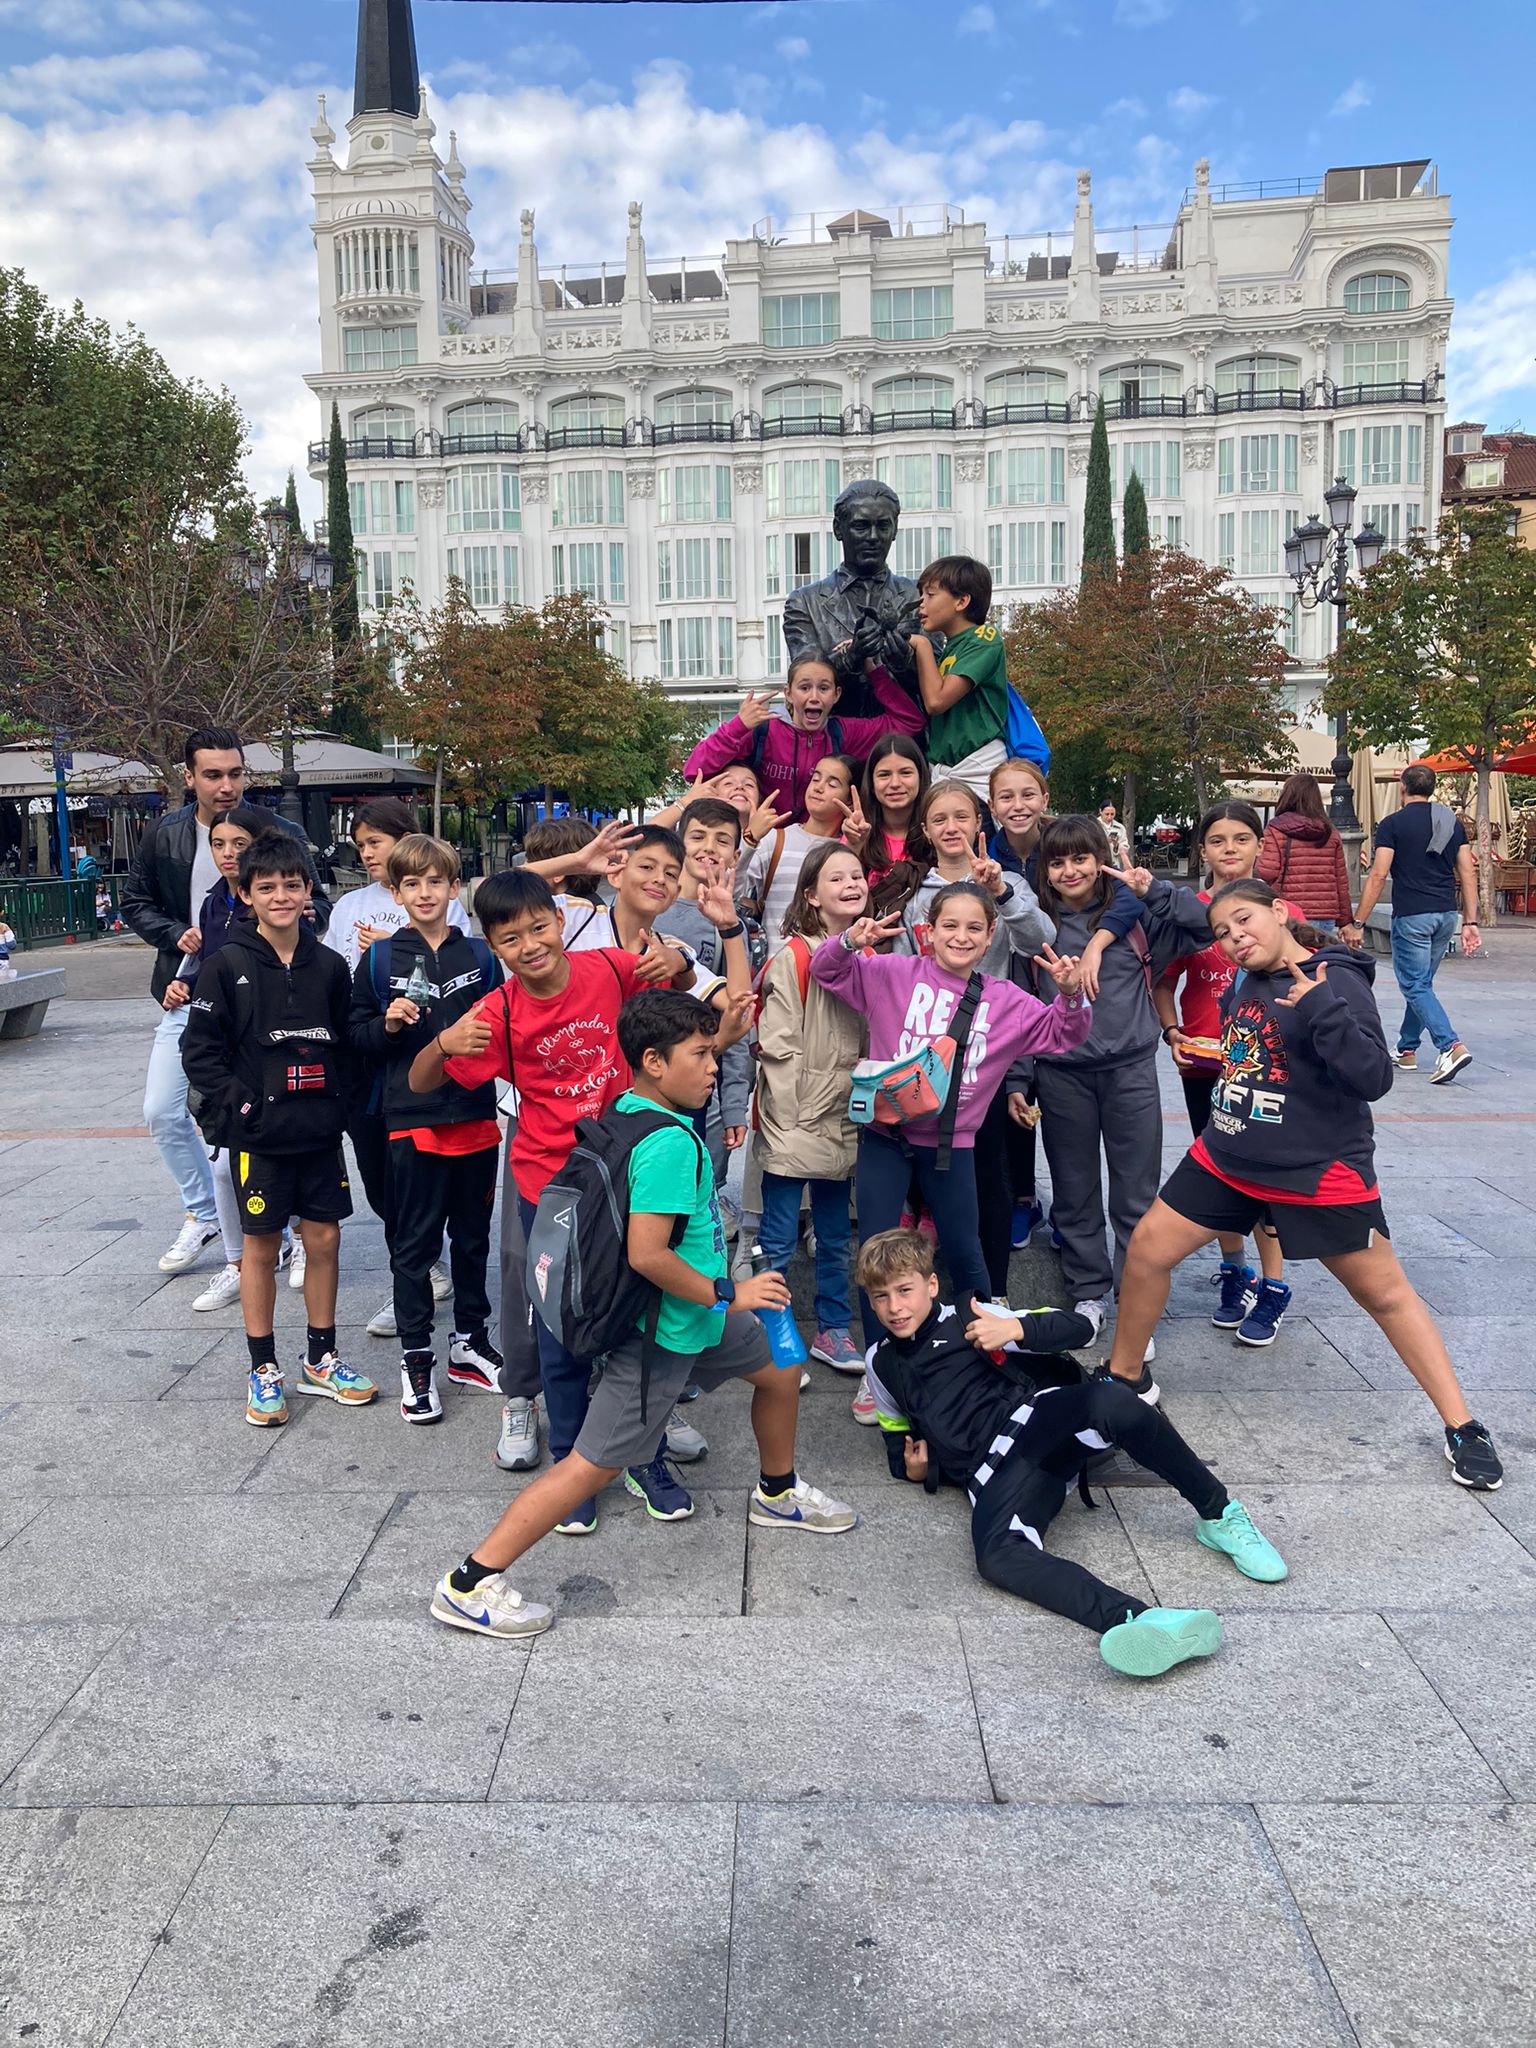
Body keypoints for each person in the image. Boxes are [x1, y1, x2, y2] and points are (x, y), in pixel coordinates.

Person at [429, 990, 859, 1640]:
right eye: (701, 1055)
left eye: (714, 1053)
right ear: (654, 1061)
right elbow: (648, 1254)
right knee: (589, 1467)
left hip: (696, 1316)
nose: (714, 1067)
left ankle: (777, 1492)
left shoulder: (631, 1109)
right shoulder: (670, 1145)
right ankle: (469, 1583)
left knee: (777, 1368)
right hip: (666, 1332)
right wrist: (729, 1293)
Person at [1102, 878, 1504, 1491]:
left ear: (1280, 911)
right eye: (1222, 933)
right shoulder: (1248, 980)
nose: (1235, 938)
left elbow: (1373, 1077)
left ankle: (1464, 1425)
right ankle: (1125, 1379)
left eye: (1244, 921)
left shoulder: (1333, 979)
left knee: (1386, 1296)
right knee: (1149, 1250)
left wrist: (1321, 1009)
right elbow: (1262, 1057)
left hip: (1317, 1167)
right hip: (1228, 1153)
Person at [410, 870, 739, 1528]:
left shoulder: (609, 969)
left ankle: (642, 1455)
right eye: (511, 938)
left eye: (539, 928)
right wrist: (442, 1042)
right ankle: (569, 1462)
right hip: (552, 1189)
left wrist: (677, 962)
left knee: (642, 1322)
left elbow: (684, 995)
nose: (530, 945)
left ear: (560, 922)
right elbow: (421, 1081)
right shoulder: (498, 1012)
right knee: (561, 1327)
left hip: (630, 1173)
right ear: (492, 945)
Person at [858, 1229, 1287, 1677]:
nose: (895, 1307)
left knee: (1115, 1401)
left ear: (931, 1285)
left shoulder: (974, 1316)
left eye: (904, 1290)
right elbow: (896, 1440)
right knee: (996, 1556)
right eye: (880, 1297)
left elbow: (1081, 1329)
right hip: (993, 1477)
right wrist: (916, 1469)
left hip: (1039, 1422)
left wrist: (1016, 1328)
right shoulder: (880, 1363)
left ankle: (1219, 1516)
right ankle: (1140, 1622)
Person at [811, 882, 1093, 1344]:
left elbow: (1063, 1033)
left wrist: (1070, 994)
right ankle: (881, 1362)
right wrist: (848, 942)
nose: (961, 937)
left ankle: (979, 1349)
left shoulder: (1006, 999)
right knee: (875, 1250)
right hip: (884, 1138)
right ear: (928, 930)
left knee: (965, 1250)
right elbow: (826, 970)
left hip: (951, 1145)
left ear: (990, 935)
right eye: (950, 926)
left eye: (974, 928)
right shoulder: (890, 973)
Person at [180, 834, 375, 1427]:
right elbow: (199, 1052)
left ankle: (321, 1358)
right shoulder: (225, 965)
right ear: (246, 894)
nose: (281, 896)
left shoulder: (331, 966)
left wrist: (342, 1108)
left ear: (308, 889)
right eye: (266, 887)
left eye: (292, 885)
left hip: (318, 1132)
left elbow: (348, 1044)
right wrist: (243, 1108)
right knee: (260, 1249)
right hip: (258, 1138)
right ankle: (262, 1367)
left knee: (325, 1241)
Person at [121, 727, 330, 1276]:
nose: (226, 785)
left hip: (266, 1000)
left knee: (267, 1117)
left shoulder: (279, 830)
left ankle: (283, 1230)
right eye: (212, 775)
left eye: (235, 773)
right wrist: (175, 936)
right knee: (161, 1111)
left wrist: (306, 916)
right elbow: (135, 901)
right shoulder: (165, 834)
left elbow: (320, 899)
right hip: (189, 991)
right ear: (189, 777)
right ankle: (205, 1213)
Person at [1028, 815, 1213, 1355]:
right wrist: (1020, 1078)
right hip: (1061, 1074)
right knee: (1074, 1192)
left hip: (1130, 1071)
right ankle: (1089, 1293)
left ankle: (1134, 1302)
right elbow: (1018, 1002)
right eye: (1057, 862)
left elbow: (1205, 925)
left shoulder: (1135, 918)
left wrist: (1153, 890)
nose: (1070, 871)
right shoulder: (1036, 926)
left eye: (1080, 858)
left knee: (1135, 1194)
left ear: (1100, 860)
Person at [346, 834, 505, 1426]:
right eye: (411, 883)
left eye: (435, 881)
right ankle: (417, 1359)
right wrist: (387, 1025)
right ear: (395, 893)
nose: (424, 893)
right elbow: (354, 1037)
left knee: (473, 1238)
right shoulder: (380, 960)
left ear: (454, 888)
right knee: (412, 1247)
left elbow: (507, 1026)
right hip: (410, 1121)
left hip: (476, 1116)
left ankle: (469, 1342)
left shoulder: (482, 957)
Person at [988, 760, 1143, 1260]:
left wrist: (1098, 942)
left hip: (1110, 1047)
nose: (1018, 805)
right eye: (1005, 796)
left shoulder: (1064, 840)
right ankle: (1029, 1201)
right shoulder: (987, 853)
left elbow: (1127, 895)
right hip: (1024, 992)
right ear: (992, 805)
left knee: (1127, 1182)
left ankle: (1120, 1267)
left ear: (1045, 798)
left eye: (1027, 794)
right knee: (1028, 1114)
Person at [324, 798, 468, 1337]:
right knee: (380, 1176)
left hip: (428, 1064)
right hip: (364, 1057)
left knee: (429, 1179)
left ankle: (432, 1274)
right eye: (360, 845)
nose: (366, 854)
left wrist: (399, 947)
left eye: (375, 842)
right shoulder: (349, 905)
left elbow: (454, 965)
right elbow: (335, 972)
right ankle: (416, 1268)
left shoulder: (441, 899)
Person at [1156, 803, 1298, 1347]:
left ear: (1260, 845)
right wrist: (1172, 1032)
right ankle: (1235, 1271)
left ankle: (1274, 1287)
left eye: (1241, 838)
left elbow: (1309, 978)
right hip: (1204, 1064)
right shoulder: (1189, 913)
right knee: (1219, 1171)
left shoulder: (1281, 909)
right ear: (1203, 850)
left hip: (1267, 1072)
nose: (1230, 848)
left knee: (1266, 1178)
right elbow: (1163, 981)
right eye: (1217, 840)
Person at [755, 842, 871, 1403]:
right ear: (811, 895)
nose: (851, 884)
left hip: (844, 1113)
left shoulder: (868, 953)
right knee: (778, 1236)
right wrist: (792, 1114)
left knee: (835, 1233)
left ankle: (832, 1328)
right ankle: (774, 1335)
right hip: (799, 1114)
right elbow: (777, 1046)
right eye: (836, 878)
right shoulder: (794, 955)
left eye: (857, 875)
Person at [163, 805, 289, 1314]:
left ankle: (293, 1240)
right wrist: (184, 984)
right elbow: (216, 970)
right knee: (223, 1165)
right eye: (218, 844)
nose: (228, 853)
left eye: (239, 843)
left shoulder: (285, 907)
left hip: (278, 1051)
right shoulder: (215, 904)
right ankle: (237, 1262)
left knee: (292, 1157)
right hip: (230, 1052)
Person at [683, 651, 924, 827]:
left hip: (817, 845)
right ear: (788, 693)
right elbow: (694, 772)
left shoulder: (842, 732)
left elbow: (910, 721)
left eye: (824, 688)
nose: (814, 697)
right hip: (763, 842)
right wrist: (737, 727)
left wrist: (872, 669)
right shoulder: (763, 729)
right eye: (804, 688)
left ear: (836, 695)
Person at [1355, 763, 1482, 1083]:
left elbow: (1379, 874)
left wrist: (1358, 921)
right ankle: (1407, 1048)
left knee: (1414, 985)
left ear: (1403, 788)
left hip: (1412, 915)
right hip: (1445, 914)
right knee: (1422, 983)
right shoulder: (1450, 822)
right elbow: (1468, 872)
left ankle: (1450, 1045)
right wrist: (1470, 920)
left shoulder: (1392, 824)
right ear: (1432, 788)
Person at [781, 477, 935, 721]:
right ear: (838, 529)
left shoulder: (919, 595)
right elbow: (806, 678)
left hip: (906, 739)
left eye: (883, 526)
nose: (873, 537)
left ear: (895, 529)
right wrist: (851, 656)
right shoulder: (804, 602)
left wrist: (906, 660)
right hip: (836, 738)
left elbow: (938, 681)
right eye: (861, 526)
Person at [907, 557, 1009, 801]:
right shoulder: (949, 649)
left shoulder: (985, 638)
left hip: (979, 771)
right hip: (944, 772)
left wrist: (921, 645)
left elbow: (936, 701)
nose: (921, 602)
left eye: (930, 594)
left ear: (962, 601)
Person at [735, 753, 860, 946]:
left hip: (830, 962)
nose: (818, 787)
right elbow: (730, 891)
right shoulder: (775, 840)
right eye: (815, 779)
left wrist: (856, 846)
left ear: (850, 800)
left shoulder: (851, 850)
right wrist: (750, 838)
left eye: (832, 784)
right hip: (778, 962)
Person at [1256, 773, 1360, 942]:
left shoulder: (1275, 829)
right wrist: (1346, 921)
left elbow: (1267, 872)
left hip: (1288, 911)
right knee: (1317, 957)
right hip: (1325, 914)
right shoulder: (1330, 832)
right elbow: (1341, 882)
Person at [1097, 802, 1132, 869]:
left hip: (1114, 864)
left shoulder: (1120, 828)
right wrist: (1105, 842)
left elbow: (1125, 847)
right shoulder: (1093, 825)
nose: (1109, 817)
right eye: (1107, 814)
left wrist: (1116, 845)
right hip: (1098, 865)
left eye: (1112, 814)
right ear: (1100, 811)